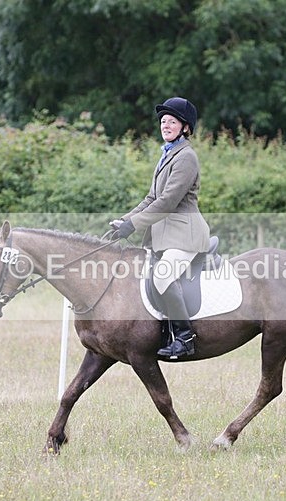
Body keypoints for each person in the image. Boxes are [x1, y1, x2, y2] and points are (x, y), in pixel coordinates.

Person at [111, 96, 210, 360]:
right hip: (165, 237)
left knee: (162, 277)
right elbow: (151, 198)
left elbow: (167, 201)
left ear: (185, 127)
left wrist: (133, 225)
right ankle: (162, 334)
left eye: (172, 121)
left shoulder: (186, 157)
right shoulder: (166, 154)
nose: (165, 125)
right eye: (163, 121)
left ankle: (185, 338)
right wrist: (124, 221)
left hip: (186, 236)